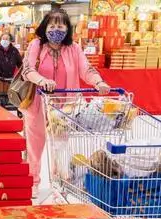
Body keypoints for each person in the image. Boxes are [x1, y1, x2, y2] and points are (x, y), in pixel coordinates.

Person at [22, 11, 110, 199]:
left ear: (67, 29)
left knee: (60, 147)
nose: (56, 30)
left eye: (60, 26)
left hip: (65, 108)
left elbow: (86, 69)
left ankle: (59, 182)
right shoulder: (36, 45)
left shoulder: (74, 48)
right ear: (45, 28)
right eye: (52, 26)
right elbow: (27, 70)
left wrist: (98, 82)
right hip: (38, 103)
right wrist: (42, 80)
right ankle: (32, 182)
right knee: (34, 146)